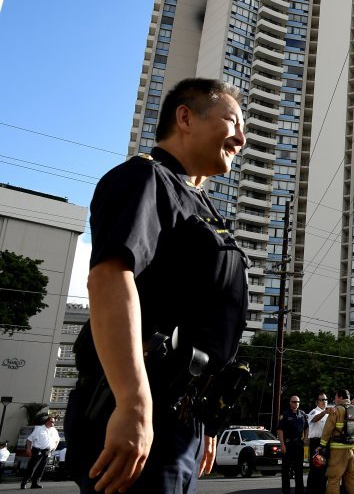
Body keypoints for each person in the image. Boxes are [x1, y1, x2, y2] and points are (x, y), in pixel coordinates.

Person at [64, 78, 248, 494]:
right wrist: (132, 401)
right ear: (185, 117)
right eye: (232, 121)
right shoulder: (147, 177)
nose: (241, 137)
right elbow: (110, 276)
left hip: (179, 418)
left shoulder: (200, 204)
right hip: (139, 405)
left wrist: (205, 421)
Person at [320, 389, 354, 494]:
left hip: (338, 451)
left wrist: (322, 445)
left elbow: (327, 430)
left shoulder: (336, 410)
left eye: (336, 397)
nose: (334, 400)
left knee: (334, 479)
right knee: (353, 480)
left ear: (341, 398)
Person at [278, 395, 308, 494]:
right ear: (290, 402)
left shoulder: (302, 414)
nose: (296, 404)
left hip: (298, 444)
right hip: (288, 444)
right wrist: (282, 444)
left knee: (299, 470)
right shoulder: (285, 414)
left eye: (297, 402)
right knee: (286, 470)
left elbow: (306, 427)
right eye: (294, 402)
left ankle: (299, 491)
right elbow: (280, 430)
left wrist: (305, 438)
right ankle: (285, 491)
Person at [21, 416, 59, 489]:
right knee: (32, 467)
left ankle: (35, 483)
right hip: (38, 450)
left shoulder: (54, 430)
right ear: (47, 421)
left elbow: (57, 440)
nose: (53, 423)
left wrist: (54, 448)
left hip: (47, 451)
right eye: (52, 421)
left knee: (41, 468)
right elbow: (29, 439)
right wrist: (28, 449)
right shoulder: (39, 429)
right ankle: (24, 482)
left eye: (54, 422)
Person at [306, 393, 330, 494]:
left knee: (324, 470)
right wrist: (324, 412)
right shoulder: (314, 411)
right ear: (317, 402)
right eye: (321, 400)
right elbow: (314, 419)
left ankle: (321, 490)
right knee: (316, 469)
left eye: (325, 399)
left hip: (326, 443)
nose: (324, 401)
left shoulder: (328, 413)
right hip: (316, 443)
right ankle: (311, 491)